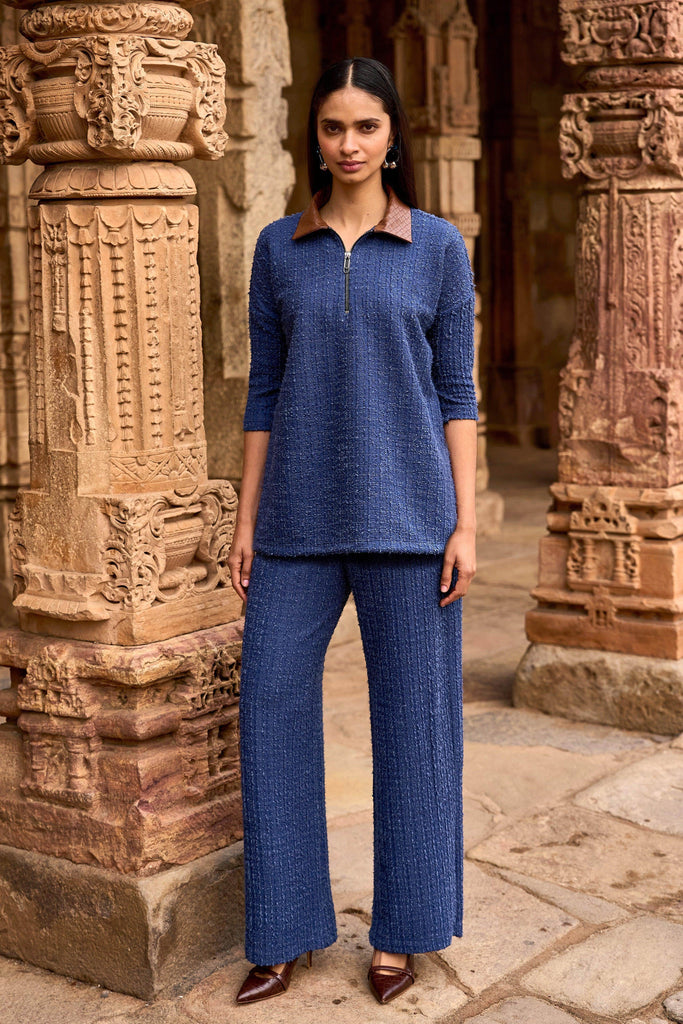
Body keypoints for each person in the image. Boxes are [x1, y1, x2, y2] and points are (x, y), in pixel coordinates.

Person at [227, 55, 478, 1007]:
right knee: (268, 706)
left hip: (411, 523)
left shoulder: (436, 247)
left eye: (365, 126)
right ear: (315, 138)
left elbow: (456, 392)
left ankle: (402, 933)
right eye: (332, 127)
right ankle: (283, 930)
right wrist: (246, 519)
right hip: (294, 522)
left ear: (392, 136)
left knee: (415, 728)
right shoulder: (277, 248)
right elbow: (264, 392)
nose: (348, 143)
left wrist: (463, 523)